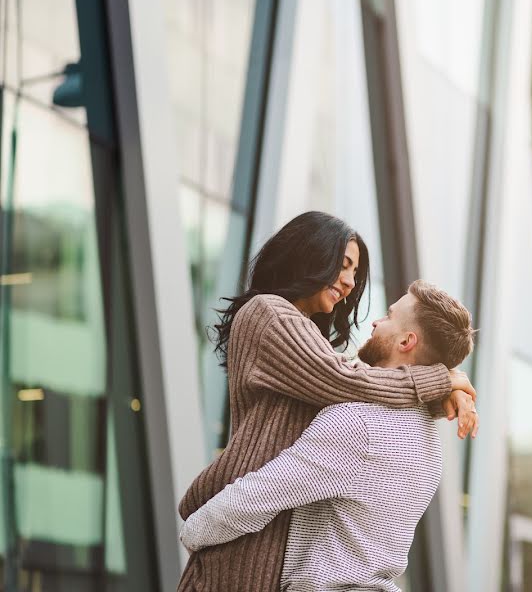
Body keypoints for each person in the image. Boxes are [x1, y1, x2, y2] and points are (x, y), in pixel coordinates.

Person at [177, 212, 477, 592]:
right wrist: (436, 380)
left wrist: (436, 390)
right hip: (243, 550)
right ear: (310, 254)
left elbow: (351, 388)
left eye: (355, 271)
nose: (351, 283)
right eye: (344, 265)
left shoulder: (348, 407)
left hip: (261, 536)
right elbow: (344, 380)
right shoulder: (268, 313)